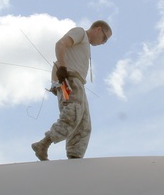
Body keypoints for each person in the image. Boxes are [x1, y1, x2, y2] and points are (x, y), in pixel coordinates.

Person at [31, 20, 112, 160]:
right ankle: (43, 144)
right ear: (98, 29)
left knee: (84, 124)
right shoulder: (80, 32)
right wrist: (62, 69)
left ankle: (75, 157)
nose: (103, 43)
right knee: (73, 115)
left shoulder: (85, 44)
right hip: (71, 79)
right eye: (104, 38)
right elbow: (60, 44)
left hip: (78, 83)